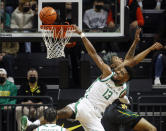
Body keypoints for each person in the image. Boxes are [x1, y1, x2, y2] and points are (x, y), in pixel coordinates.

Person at [21, 26, 163, 131]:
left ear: (125, 78)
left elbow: (130, 61)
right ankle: (32, 124)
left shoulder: (123, 89)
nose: (118, 72)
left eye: (121, 73)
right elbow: (94, 53)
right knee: (60, 113)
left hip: (96, 116)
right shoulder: (108, 72)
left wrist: (137, 43)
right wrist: (82, 34)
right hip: (85, 105)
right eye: (118, 68)